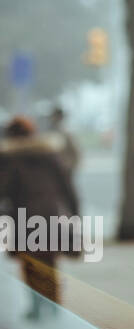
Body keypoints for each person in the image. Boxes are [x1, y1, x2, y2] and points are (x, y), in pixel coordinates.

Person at [0, 116, 80, 318]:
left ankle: (36, 305)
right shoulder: (49, 154)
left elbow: (3, 189)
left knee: (29, 263)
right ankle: (53, 303)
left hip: (22, 217)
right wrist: (75, 213)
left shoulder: (9, 158)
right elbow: (67, 187)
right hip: (49, 213)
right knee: (49, 261)